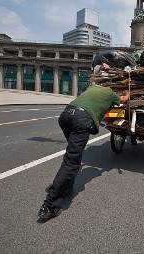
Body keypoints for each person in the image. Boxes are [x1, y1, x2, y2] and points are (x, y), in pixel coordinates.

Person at [38, 84, 128, 223]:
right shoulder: (110, 93)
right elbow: (123, 100)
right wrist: (127, 95)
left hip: (66, 115)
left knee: (72, 155)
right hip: (82, 119)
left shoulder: (92, 88)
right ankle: (50, 205)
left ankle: (65, 189)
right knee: (72, 161)